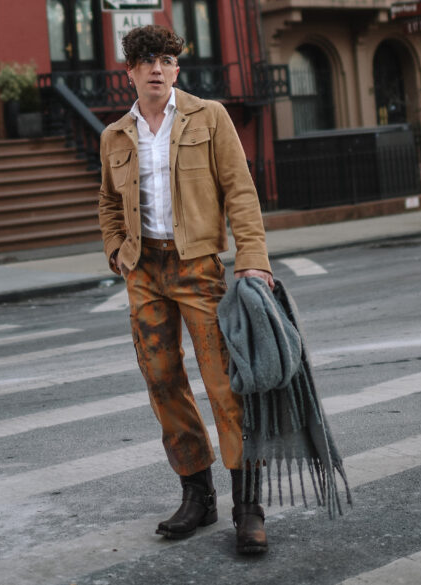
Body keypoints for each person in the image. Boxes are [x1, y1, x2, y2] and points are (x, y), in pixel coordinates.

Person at [98, 24, 273, 554]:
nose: (157, 68)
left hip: (198, 267)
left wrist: (252, 258)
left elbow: (239, 190)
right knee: (162, 380)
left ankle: (248, 506)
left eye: (166, 60)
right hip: (144, 269)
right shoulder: (115, 135)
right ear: (130, 71)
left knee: (224, 384)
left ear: (176, 68)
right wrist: (117, 253)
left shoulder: (209, 116)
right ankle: (198, 495)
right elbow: (108, 204)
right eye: (147, 60)